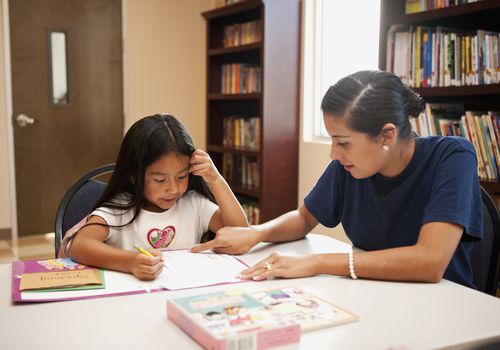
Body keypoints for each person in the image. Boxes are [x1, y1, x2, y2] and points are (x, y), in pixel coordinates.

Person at [191, 70, 483, 289]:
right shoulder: (352, 166)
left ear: (387, 135)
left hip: (439, 307)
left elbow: (429, 262)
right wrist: (257, 233)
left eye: (343, 142)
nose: (333, 153)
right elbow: (304, 217)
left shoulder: (453, 157)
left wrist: (318, 262)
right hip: (373, 295)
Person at [62, 114, 248, 280]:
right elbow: (80, 245)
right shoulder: (120, 209)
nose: (173, 189)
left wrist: (215, 179)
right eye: (160, 180)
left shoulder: (193, 203)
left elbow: (241, 234)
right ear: (134, 175)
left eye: (182, 176)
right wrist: (130, 262)